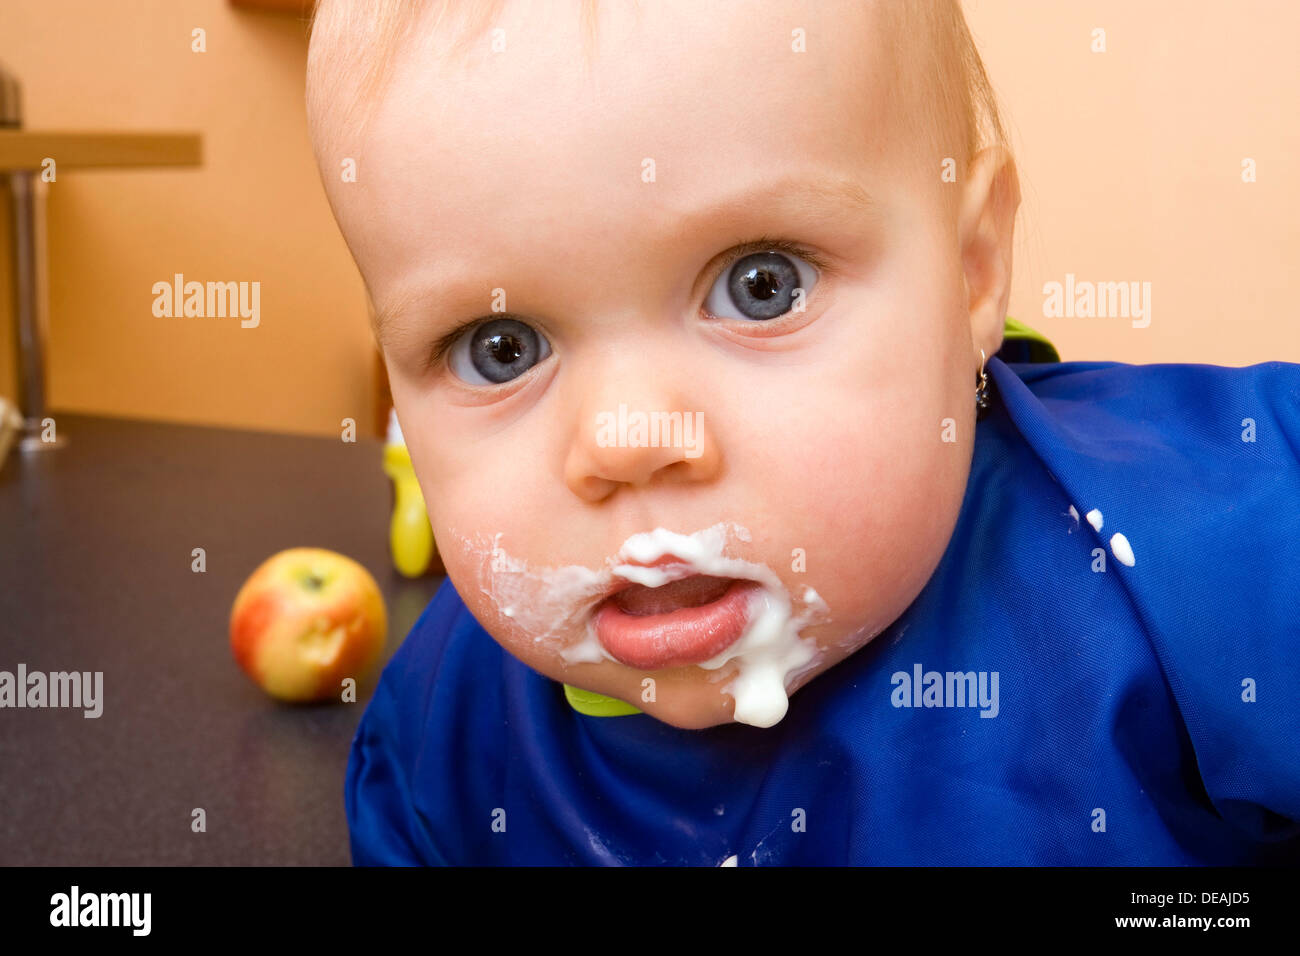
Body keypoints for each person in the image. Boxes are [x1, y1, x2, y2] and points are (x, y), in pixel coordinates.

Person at [304, 0, 1300, 864]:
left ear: (971, 270)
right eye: (498, 347)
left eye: (758, 285)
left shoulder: (1216, 558)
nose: (626, 438)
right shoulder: (438, 749)